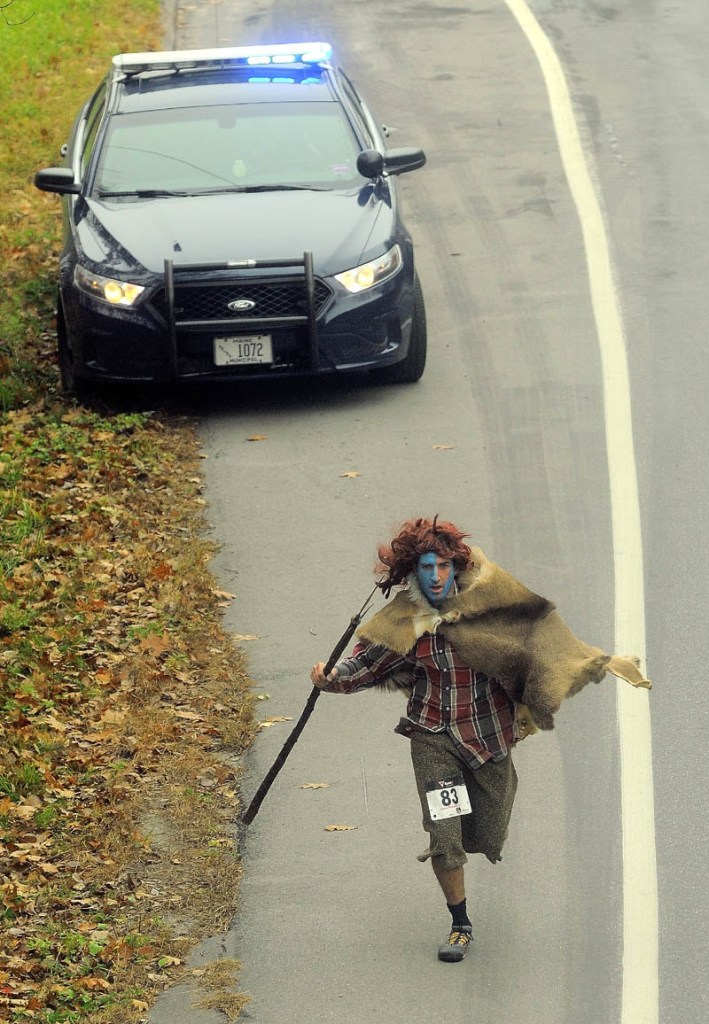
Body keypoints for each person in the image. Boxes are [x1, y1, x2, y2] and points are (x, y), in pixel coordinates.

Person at [310, 516, 650, 964]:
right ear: (413, 571)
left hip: (488, 739)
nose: (435, 576)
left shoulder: (490, 606)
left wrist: (592, 661)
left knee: (489, 829)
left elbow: (541, 638)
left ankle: (466, 852)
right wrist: (331, 677)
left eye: (444, 566)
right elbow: (365, 664)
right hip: (432, 738)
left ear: (456, 568)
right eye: (426, 567)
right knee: (445, 833)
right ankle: (460, 924)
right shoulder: (405, 621)